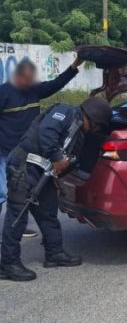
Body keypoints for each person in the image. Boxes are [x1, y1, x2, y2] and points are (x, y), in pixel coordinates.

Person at [0, 97, 112, 281]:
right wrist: (57, 158)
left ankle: (55, 253)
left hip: (42, 171)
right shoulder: (65, 112)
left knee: (48, 212)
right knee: (17, 215)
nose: (95, 131)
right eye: (96, 127)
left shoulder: (77, 131)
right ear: (91, 118)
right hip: (23, 166)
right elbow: (46, 132)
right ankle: (8, 263)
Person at [0, 56, 83, 237]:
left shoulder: (34, 90)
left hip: (27, 152)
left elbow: (56, 84)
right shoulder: (3, 92)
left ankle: (18, 227)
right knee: (5, 192)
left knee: (22, 190)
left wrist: (74, 66)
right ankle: (7, 231)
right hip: (6, 152)